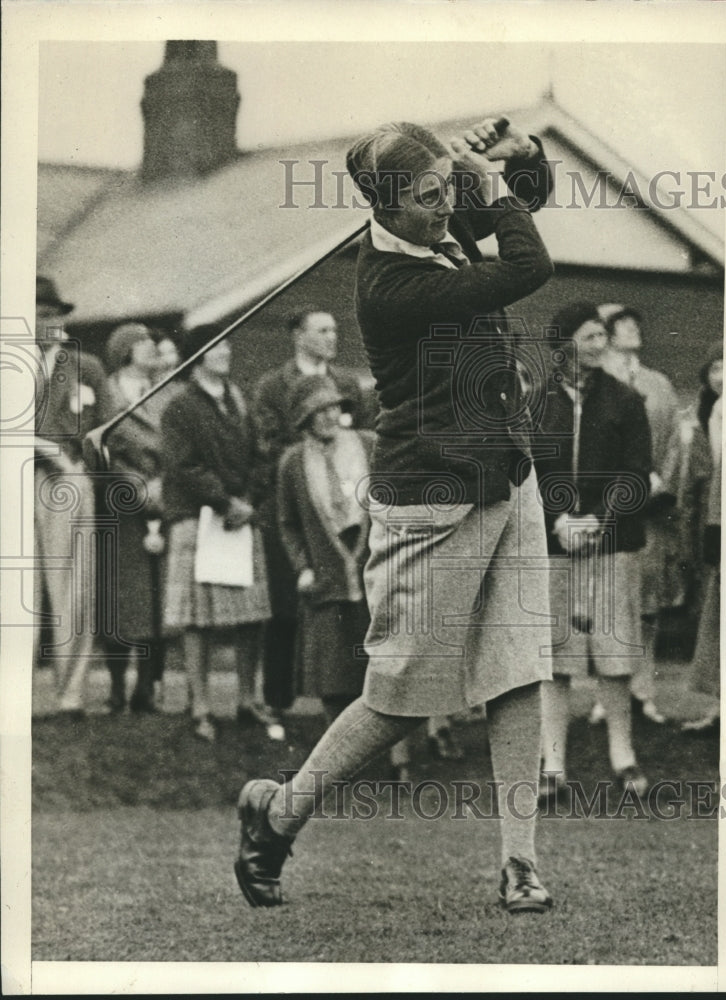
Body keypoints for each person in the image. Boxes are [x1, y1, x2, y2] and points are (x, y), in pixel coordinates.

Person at [235, 115, 556, 914]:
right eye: (425, 198)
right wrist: (478, 178)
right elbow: (527, 262)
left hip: (508, 476)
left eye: (446, 190)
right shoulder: (392, 284)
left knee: (519, 671)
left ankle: (520, 862)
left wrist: (515, 160)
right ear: (384, 208)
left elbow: (527, 201)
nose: (444, 209)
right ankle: (278, 814)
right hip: (433, 498)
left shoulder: (434, 224)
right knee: (402, 696)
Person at [534, 302, 653, 802]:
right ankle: (552, 763)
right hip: (555, 547)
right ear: (564, 346)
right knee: (557, 656)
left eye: (602, 335)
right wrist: (558, 521)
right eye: (589, 336)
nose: (600, 344)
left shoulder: (625, 400)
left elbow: (636, 475)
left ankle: (623, 757)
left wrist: (597, 524)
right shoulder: (536, 404)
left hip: (612, 546)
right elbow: (527, 475)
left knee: (614, 652)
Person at [252, 310, 368, 734]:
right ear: (299, 336)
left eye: (336, 329)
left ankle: (358, 710)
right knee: (289, 608)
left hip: (351, 515)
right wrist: (310, 466)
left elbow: (364, 439)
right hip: (301, 507)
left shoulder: (348, 384)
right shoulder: (271, 386)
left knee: (354, 615)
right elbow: (265, 446)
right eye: (323, 330)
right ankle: (278, 701)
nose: (332, 337)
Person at [160, 326, 272, 742]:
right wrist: (227, 502)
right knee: (198, 620)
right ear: (196, 357)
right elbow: (183, 466)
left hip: (239, 517)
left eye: (225, 344)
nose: (224, 351)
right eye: (214, 346)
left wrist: (248, 500)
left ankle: (247, 700)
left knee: (251, 615)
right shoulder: (180, 408)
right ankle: (201, 707)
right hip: (198, 518)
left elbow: (262, 455)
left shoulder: (239, 401)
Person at [588, 304, 682, 725]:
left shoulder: (658, 384)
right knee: (605, 607)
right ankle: (605, 697)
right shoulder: (593, 384)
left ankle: (642, 693)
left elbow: (675, 444)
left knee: (646, 608)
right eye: (621, 324)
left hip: (650, 513)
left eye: (635, 322)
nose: (632, 328)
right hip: (605, 514)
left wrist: (660, 482)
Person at [34, 276, 113, 716]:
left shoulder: (86, 366)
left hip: (69, 479)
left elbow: (108, 426)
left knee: (73, 588)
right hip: (14, 479)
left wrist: (79, 461)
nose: (47, 323)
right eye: (39, 314)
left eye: (53, 314)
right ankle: (14, 695)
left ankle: (71, 695)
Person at [277, 375, 373, 726]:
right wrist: (303, 567)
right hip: (326, 580)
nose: (331, 416)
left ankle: (396, 765)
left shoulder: (367, 445)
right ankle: (341, 763)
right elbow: (288, 524)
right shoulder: (293, 463)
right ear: (305, 418)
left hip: (372, 576)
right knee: (335, 679)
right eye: (321, 410)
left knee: (380, 674)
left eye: (335, 407)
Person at [102, 322, 175, 713]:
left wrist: (163, 483)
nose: (152, 348)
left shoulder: (166, 393)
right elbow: (99, 448)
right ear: (125, 351)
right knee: (121, 599)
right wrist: (133, 484)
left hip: (162, 504)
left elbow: (177, 444)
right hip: (120, 508)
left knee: (156, 599)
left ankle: (146, 689)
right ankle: (116, 688)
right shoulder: (108, 393)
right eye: (143, 343)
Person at [680, 340, 723, 733]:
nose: (721, 377)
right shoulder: (705, 414)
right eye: (714, 369)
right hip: (712, 524)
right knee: (716, 617)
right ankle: (720, 707)